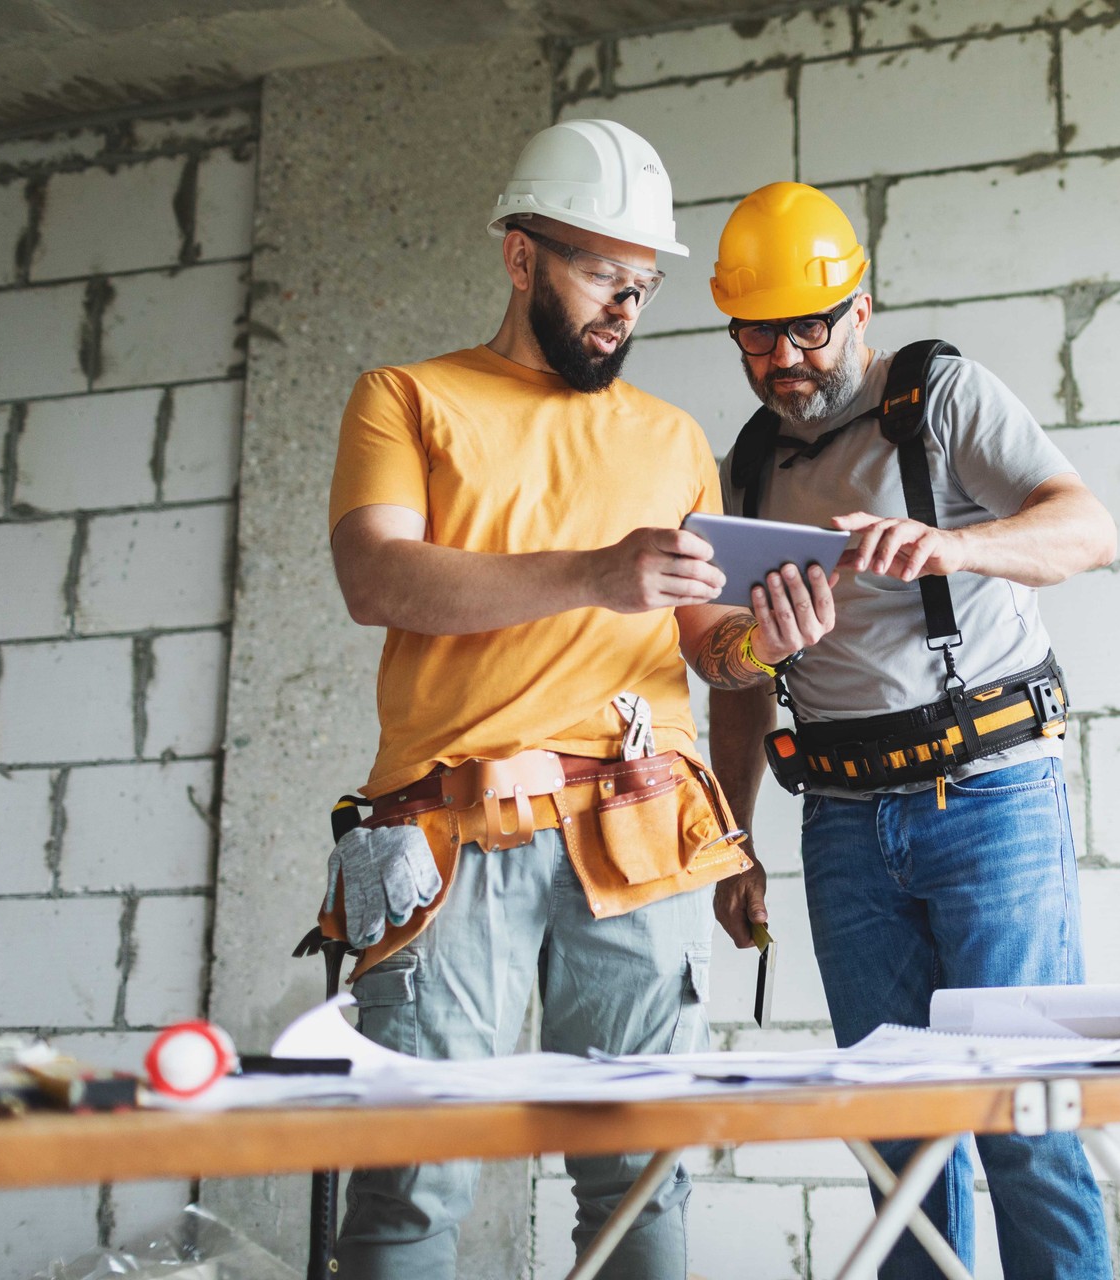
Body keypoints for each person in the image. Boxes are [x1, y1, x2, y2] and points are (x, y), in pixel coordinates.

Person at [319, 123, 835, 1280]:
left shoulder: (671, 437)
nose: (624, 308)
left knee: (641, 1177)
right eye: (604, 275)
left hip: (641, 830)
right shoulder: (407, 398)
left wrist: (767, 641)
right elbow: (376, 576)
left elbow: (713, 649)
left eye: (642, 286)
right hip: (454, 835)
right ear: (520, 256)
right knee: (411, 1181)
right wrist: (596, 572)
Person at [705, 182, 1119, 1280]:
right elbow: (736, 678)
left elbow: (1088, 527)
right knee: (900, 1139)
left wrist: (956, 547)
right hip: (842, 825)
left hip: (990, 800)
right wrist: (731, 836)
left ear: (861, 307)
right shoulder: (747, 465)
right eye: (759, 332)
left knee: (1024, 1121)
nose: (786, 353)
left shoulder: (938, 398)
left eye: (809, 325)